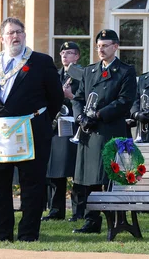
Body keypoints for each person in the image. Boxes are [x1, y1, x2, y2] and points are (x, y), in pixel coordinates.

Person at [0, 17, 63, 242]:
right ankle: (2, 234)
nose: (15, 36)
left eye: (19, 32)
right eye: (10, 33)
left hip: (31, 130)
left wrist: (41, 121)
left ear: (25, 35)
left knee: (32, 184)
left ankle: (28, 234)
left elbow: (55, 97)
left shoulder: (41, 61)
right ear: (1, 38)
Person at [72, 29, 137, 233]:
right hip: (89, 132)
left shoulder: (125, 71)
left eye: (105, 45)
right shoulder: (90, 70)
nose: (101, 49)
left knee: (110, 175)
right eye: (99, 46)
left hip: (111, 129)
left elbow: (125, 101)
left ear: (115, 47)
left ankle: (116, 218)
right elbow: (78, 98)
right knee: (89, 177)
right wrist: (80, 117)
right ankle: (92, 220)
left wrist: (99, 115)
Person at [42, 41, 81, 221]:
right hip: (57, 127)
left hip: (75, 127)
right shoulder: (55, 75)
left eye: (70, 53)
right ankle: (56, 210)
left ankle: (78, 211)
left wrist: (70, 97)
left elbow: (87, 98)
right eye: (63, 53)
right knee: (56, 169)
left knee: (75, 171)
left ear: (77, 56)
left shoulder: (82, 75)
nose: (65, 56)